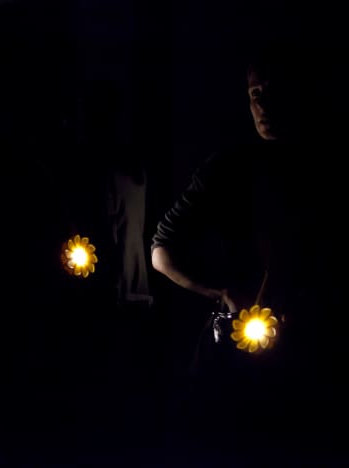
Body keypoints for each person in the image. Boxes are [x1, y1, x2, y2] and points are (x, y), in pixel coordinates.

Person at [151, 42, 347, 462]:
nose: (264, 104)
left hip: (309, 354)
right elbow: (161, 250)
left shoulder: (329, 170)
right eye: (255, 94)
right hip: (232, 351)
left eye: (275, 91)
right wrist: (218, 292)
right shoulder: (227, 166)